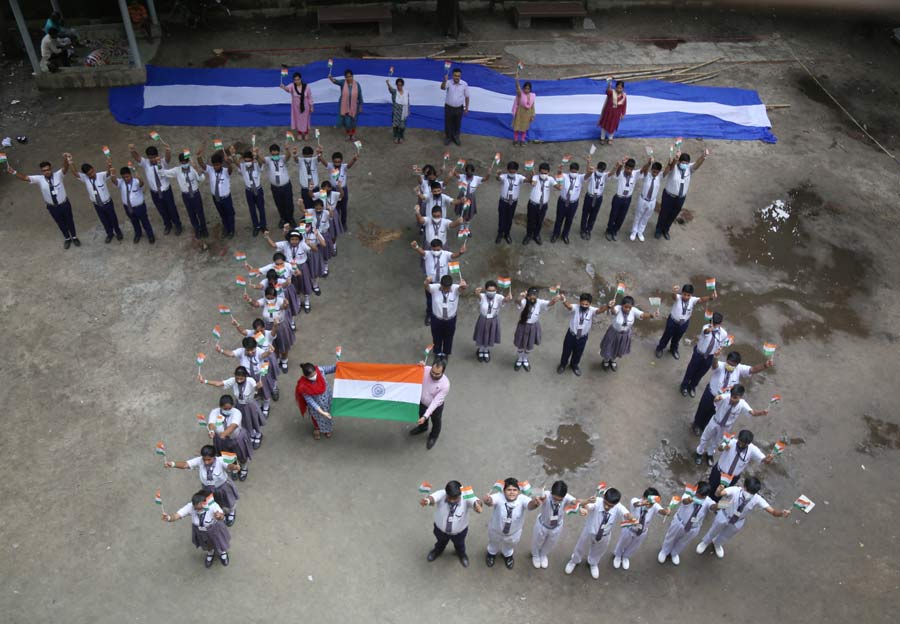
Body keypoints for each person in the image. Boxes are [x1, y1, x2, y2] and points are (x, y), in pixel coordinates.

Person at [696, 476, 790, 559]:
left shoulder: (757, 499)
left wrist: (781, 513)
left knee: (727, 535)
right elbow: (720, 494)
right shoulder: (735, 490)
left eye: (751, 492)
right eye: (747, 490)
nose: (748, 493)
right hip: (725, 514)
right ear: (744, 486)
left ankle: (717, 544)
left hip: (738, 521)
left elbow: (773, 512)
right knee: (714, 529)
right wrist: (719, 490)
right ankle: (705, 542)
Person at [692, 351, 774, 436]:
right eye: (729, 363)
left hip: (725, 399)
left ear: (737, 364)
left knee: (714, 414)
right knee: (703, 409)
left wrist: (765, 365)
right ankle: (696, 425)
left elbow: (752, 370)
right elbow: (714, 365)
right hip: (711, 393)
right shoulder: (721, 365)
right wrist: (715, 357)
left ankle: (705, 428)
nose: (730, 366)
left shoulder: (739, 369)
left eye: (733, 365)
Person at [8, 156, 80, 248]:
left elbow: (65, 168)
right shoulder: (39, 179)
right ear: (42, 171)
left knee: (70, 220)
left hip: (64, 204)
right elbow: (25, 178)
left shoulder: (58, 175)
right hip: (52, 207)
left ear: (51, 169)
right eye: (44, 170)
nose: (47, 172)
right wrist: (14, 172)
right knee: (60, 222)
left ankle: (74, 236)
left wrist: (66, 159)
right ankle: (67, 238)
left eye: (48, 169)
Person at [164, 445, 241, 526]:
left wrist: (234, 466)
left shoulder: (220, 460)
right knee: (212, 505)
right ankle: (218, 514)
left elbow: (229, 465)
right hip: (207, 490)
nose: (206, 462)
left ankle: (231, 511)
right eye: (204, 459)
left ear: (214, 456)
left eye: (209, 459)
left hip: (222, 487)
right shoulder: (199, 460)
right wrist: (172, 464)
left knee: (229, 502)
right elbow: (186, 464)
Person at [565, 487, 632, 579]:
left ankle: (593, 563)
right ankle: (574, 560)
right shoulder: (598, 501)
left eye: (611, 505)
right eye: (606, 503)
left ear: (616, 503)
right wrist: (585, 509)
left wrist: (630, 517)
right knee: (580, 547)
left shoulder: (618, 507)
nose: (607, 507)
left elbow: (627, 514)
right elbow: (588, 506)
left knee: (598, 551)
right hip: (589, 532)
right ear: (603, 498)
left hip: (605, 535)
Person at [695, 386, 769, 466]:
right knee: (705, 437)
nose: (732, 399)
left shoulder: (742, 404)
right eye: (731, 396)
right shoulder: (726, 397)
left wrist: (761, 413)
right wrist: (717, 398)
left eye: (735, 397)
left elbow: (752, 412)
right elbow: (718, 398)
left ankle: (709, 454)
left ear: (740, 397)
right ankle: (699, 452)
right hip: (715, 422)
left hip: (726, 427)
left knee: (717, 441)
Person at [201, 366, 268, 450]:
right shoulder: (232, 381)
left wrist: (258, 386)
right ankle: (252, 434)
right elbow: (219, 383)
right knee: (244, 422)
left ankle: (258, 434)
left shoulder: (250, 381)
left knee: (254, 420)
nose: (239, 380)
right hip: (239, 405)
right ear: (235, 376)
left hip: (250, 405)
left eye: (241, 378)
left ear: (246, 376)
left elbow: (255, 388)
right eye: (237, 378)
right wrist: (205, 381)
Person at [162, 490, 231, 568]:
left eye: (199, 508)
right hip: (200, 531)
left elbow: (222, 517)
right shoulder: (191, 506)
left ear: (204, 503)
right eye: (195, 508)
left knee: (219, 542)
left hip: (214, 528)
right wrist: (168, 518)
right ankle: (210, 553)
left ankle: (222, 553)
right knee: (206, 544)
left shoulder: (212, 505)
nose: (197, 510)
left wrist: (219, 516)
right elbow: (177, 515)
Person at [421, 480, 483, 567]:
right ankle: (437, 551)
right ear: (446, 493)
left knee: (460, 545)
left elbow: (476, 501)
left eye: (455, 498)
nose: (452, 501)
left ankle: (462, 554)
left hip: (459, 533)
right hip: (440, 530)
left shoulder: (466, 495)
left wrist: (477, 505)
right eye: (449, 497)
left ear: (460, 494)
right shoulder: (442, 493)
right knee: (440, 543)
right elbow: (433, 498)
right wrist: (427, 501)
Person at [482, 478, 538, 569]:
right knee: (493, 543)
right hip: (496, 530)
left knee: (509, 546)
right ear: (504, 491)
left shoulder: (522, 499)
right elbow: (490, 501)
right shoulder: (499, 496)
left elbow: (530, 505)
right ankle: (491, 554)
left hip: (513, 533)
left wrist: (535, 503)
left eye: (515, 490)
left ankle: (507, 555)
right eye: (509, 490)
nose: (512, 492)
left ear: (519, 491)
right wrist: (487, 500)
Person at [657, 481, 715, 565]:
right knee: (671, 536)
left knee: (684, 541)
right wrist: (689, 500)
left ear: (705, 496)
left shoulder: (708, 501)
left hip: (693, 528)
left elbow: (713, 507)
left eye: (701, 495)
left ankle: (675, 553)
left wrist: (725, 505)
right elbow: (684, 501)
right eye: (698, 493)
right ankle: (664, 551)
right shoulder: (689, 494)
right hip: (679, 523)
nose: (698, 496)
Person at [411, 238, 467, 325]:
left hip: (443, 283)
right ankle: (429, 315)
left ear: (441, 247)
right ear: (431, 248)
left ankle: (445, 313)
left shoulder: (446, 254)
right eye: (433, 249)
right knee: (430, 300)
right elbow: (421, 252)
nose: (436, 251)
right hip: (431, 283)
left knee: (444, 299)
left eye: (438, 249)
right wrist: (416, 247)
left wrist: (460, 252)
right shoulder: (428, 254)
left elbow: (453, 256)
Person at [130, 143, 182, 235]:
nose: (152, 159)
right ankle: (167, 225)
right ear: (148, 157)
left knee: (171, 208)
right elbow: (137, 157)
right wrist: (132, 150)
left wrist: (167, 151)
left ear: (157, 155)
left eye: (154, 157)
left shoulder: (162, 162)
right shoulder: (145, 163)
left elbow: (168, 158)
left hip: (166, 191)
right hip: (154, 192)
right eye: (150, 157)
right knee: (161, 210)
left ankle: (178, 225)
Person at [612, 488, 670, 570]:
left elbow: (661, 511)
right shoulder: (635, 500)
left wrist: (666, 511)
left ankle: (626, 557)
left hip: (642, 531)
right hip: (629, 528)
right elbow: (636, 504)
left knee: (634, 545)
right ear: (643, 497)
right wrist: (643, 503)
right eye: (649, 501)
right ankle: (617, 556)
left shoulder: (654, 505)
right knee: (623, 542)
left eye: (652, 503)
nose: (650, 505)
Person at [655, 149, 707, 240]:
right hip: (669, 196)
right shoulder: (673, 168)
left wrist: (704, 156)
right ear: (679, 162)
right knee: (664, 213)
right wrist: (674, 160)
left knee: (673, 215)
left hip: (680, 198)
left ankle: (666, 230)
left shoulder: (688, 168)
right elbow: (667, 171)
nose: (685, 164)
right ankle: (658, 230)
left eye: (686, 163)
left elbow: (697, 165)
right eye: (683, 162)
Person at [655, 283, 717, 360]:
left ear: (691, 295)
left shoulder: (692, 300)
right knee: (666, 336)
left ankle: (673, 350)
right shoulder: (677, 297)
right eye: (684, 294)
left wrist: (710, 298)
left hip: (683, 324)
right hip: (672, 322)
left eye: (688, 295)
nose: (686, 297)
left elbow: (701, 299)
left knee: (677, 338)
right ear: (681, 293)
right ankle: (660, 348)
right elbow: (673, 296)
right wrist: (674, 292)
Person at [708, 430, 773, 499]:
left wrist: (768, 458)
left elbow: (764, 460)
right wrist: (724, 446)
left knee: (720, 494)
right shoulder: (731, 442)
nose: (741, 445)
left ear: (748, 443)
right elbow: (720, 449)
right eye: (740, 442)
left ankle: (713, 504)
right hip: (719, 473)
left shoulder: (752, 449)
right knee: (710, 488)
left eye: (744, 444)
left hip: (732, 478)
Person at [243, 285, 294, 373]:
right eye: (268, 297)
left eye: (272, 297)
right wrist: (249, 299)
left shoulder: (280, 301)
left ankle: (284, 361)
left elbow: (284, 306)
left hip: (280, 325)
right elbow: (256, 304)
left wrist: (286, 304)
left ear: (275, 296)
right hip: (267, 326)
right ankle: (276, 359)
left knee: (283, 344)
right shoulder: (264, 301)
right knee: (271, 344)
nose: (270, 299)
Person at [600, 295, 658, 371]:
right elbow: (613, 311)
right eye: (625, 307)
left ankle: (613, 360)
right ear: (622, 305)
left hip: (625, 335)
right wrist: (612, 306)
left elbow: (642, 315)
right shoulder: (617, 308)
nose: (627, 309)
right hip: (614, 333)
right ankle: (606, 360)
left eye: (629, 307)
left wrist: (652, 315)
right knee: (609, 348)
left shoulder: (633, 310)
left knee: (619, 349)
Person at [530, 481, 580, 569]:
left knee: (551, 543)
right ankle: (535, 555)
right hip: (543, 525)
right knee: (537, 541)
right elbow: (531, 491)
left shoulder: (567, 497)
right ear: (551, 493)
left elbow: (576, 502)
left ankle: (543, 555)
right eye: (554, 498)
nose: (557, 501)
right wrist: (539, 491)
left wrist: (585, 503)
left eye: (559, 499)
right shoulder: (546, 494)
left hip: (556, 526)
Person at [72, 160, 123, 243]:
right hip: (97, 205)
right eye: (89, 174)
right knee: (104, 220)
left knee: (113, 218)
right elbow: (75, 173)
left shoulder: (101, 175)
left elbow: (108, 173)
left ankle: (118, 232)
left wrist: (109, 165)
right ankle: (109, 234)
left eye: (92, 172)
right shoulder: (85, 178)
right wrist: (71, 162)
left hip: (107, 203)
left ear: (94, 169)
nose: (92, 174)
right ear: (86, 175)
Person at [558, 293, 608, 376]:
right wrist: (564, 300)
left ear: (590, 304)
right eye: (582, 304)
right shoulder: (576, 307)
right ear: (579, 302)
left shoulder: (592, 310)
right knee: (566, 351)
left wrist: (608, 306)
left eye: (586, 304)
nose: (584, 306)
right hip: (571, 335)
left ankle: (574, 365)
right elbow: (569, 306)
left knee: (578, 352)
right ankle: (563, 365)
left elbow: (600, 310)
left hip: (582, 337)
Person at [680, 311, 728, 397]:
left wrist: (719, 349)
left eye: (717, 323)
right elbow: (706, 332)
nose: (716, 324)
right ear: (711, 321)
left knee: (700, 373)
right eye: (714, 322)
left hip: (710, 356)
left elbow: (721, 344)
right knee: (691, 370)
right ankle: (684, 386)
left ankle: (692, 386)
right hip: (699, 354)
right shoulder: (706, 327)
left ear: (721, 323)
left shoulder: (724, 334)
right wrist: (710, 329)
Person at [162, 152, 208, 239]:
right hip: (186, 196)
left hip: (195, 194)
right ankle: (197, 229)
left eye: (186, 162)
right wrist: (159, 164)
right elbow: (163, 173)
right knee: (191, 214)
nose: (184, 164)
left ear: (188, 161)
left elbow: (202, 179)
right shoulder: (177, 170)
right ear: (180, 162)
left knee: (200, 213)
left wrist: (196, 168)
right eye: (182, 162)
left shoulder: (193, 169)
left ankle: (204, 229)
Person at [206, 395, 252, 481]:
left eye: (229, 408)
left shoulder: (237, 412)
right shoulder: (215, 412)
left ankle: (244, 467)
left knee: (241, 455)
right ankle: (234, 468)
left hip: (236, 438)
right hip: (221, 440)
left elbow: (233, 426)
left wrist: (224, 434)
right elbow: (211, 423)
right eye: (225, 408)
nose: (227, 410)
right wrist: (211, 431)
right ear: (220, 406)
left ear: (232, 406)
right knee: (228, 456)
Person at [514, 286, 560, 371]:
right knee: (520, 345)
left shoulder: (539, 302)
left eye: (535, 295)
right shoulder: (524, 301)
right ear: (527, 295)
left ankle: (525, 359)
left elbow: (549, 304)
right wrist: (520, 297)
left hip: (533, 326)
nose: (533, 297)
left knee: (529, 345)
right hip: (523, 326)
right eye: (531, 295)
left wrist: (554, 300)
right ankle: (520, 359)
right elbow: (517, 302)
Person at [109, 164, 156, 244]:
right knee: (134, 221)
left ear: (130, 174)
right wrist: (112, 174)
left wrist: (139, 177)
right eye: (124, 177)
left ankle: (150, 235)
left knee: (145, 221)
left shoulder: (136, 181)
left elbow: (141, 184)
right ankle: (138, 234)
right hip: (128, 207)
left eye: (127, 176)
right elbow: (114, 181)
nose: (126, 179)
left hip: (139, 207)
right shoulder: (121, 182)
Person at [425, 275, 468, 360]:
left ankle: (445, 353)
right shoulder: (435, 288)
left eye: (447, 288)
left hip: (450, 320)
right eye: (444, 287)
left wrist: (463, 286)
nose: (445, 290)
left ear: (451, 286)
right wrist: (426, 282)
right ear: (441, 284)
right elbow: (426, 287)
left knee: (449, 337)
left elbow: (462, 289)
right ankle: (437, 352)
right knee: (436, 337)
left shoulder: (456, 288)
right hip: (437, 319)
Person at [410, 361, 450, 450]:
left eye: (437, 374)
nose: (434, 375)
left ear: (442, 372)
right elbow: (414, 372)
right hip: (422, 402)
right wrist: (417, 366)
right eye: (432, 372)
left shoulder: (445, 385)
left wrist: (425, 416)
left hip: (436, 407)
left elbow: (435, 402)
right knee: (421, 414)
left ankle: (434, 436)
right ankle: (423, 427)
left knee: (436, 422)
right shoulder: (425, 369)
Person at [228, 146, 267, 237]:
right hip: (249, 191)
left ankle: (263, 225)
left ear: (252, 159)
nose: (247, 162)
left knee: (261, 208)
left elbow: (262, 162)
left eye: (249, 160)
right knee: (252, 209)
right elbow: (236, 162)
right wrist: (233, 154)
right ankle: (256, 226)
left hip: (258, 189)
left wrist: (256, 155)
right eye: (245, 160)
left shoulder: (257, 165)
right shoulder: (242, 167)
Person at [316, 147, 358, 231]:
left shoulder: (344, 167)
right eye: (335, 162)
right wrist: (319, 153)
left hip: (343, 189)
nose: (337, 163)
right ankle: (335, 223)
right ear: (332, 161)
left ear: (341, 161)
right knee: (335, 208)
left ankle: (343, 223)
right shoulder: (330, 166)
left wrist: (354, 159)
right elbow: (322, 161)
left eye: (339, 162)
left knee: (343, 208)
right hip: (333, 190)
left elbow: (349, 165)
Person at [197, 148, 236, 239]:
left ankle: (231, 230)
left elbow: (231, 170)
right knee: (222, 214)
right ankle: (226, 229)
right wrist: (199, 156)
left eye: (218, 165)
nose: (216, 167)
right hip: (216, 198)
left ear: (221, 164)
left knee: (230, 214)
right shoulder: (210, 170)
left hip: (226, 198)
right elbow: (202, 164)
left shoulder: (226, 171)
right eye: (214, 165)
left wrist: (229, 162)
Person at [472, 281, 512, 363]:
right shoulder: (482, 296)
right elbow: (478, 297)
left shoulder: (499, 297)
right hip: (483, 319)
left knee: (490, 335)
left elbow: (503, 301)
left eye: (493, 290)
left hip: (493, 319)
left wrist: (507, 299)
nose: (491, 292)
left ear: (496, 290)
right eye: (489, 290)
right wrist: (477, 293)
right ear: (486, 290)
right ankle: (480, 350)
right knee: (482, 334)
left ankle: (486, 350)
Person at [295, 362, 336, 440]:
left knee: (328, 416)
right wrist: (322, 412)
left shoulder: (320, 370)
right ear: (305, 376)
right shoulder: (303, 387)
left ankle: (327, 429)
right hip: (316, 407)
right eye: (311, 376)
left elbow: (333, 368)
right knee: (316, 418)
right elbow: (311, 402)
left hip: (327, 400)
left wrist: (339, 365)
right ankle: (317, 428)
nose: (314, 377)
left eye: (314, 374)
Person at [523, 162, 560, 245]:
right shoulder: (535, 177)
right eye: (542, 173)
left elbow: (558, 187)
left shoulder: (550, 179)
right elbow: (532, 183)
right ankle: (528, 235)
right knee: (530, 220)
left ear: (548, 172)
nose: (544, 174)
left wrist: (559, 179)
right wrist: (532, 175)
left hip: (543, 205)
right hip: (533, 204)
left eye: (545, 173)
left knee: (540, 221)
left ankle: (536, 235)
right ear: (539, 172)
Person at [261, 144, 294, 229]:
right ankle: (283, 218)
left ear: (279, 152)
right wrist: (257, 154)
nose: (275, 155)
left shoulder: (282, 158)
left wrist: (287, 150)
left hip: (286, 186)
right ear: (270, 153)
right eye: (273, 154)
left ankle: (290, 218)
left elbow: (288, 156)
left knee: (289, 203)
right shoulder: (268, 159)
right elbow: (261, 161)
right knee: (279, 203)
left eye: (276, 153)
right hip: (275, 187)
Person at [629, 158, 662, 242]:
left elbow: (667, 171)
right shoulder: (647, 175)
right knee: (638, 216)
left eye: (657, 172)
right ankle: (634, 231)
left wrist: (670, 162)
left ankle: (640, 232)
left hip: (652, 201)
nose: (655, 174)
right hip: (643, 199)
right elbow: (644, 169)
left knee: (646, 217)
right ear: (651, 170)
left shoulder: (659, 177)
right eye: (654, 171)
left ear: (659, 172)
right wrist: (649, 163)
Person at [493, 161, 527, 244]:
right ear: (508, 169)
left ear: (516, 170)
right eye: (510, 170)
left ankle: (507, 234)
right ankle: (500, 233)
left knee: (509, 218)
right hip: (503, 201)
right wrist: (497, 174)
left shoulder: (519, 177)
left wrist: (532, 175)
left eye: (514, 170)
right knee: (502, 218)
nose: (512, 172)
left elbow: (527, 180)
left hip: (513, 202)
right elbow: (498, 178)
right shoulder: (504, 176)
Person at [551, 161, 584, 244]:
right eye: (572, 171)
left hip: (573, 203)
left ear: (578, 171)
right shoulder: (564, 176)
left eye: (575, 171)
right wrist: (559, 170)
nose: (574, 173)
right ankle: (555, 234)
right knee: (559, 219)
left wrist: (589, 163)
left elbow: (588, 175)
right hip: (562, 202)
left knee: (569, 220)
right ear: (569, 170)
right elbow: (559, 177)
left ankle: (565, 235)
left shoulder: (580, 178)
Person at [605, 157, 637, 242]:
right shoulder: (621, 173)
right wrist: (621, 165)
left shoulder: (635, 174)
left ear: (633, 169)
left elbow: (643, 170)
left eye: (631, 169)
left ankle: (615, 231)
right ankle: (609, 231)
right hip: (618, 198)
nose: (629, 170)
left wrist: (649, 162)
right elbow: (618, 172)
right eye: (627, 168)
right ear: (625, 167)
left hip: (627, 199)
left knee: (621, 216)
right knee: (613, 215)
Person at [329, 69, 363, 141]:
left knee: (354, 122)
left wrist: (360, 106)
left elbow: (360, 95)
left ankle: (353, 134)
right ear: (345, 77)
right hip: (345, 106)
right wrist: (331, 78)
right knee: (347, 122)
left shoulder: (357, 84)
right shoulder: (343, 83)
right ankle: (348, 134)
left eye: (350, 76)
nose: (349, 78)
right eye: (347, 77)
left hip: (354, 107)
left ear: (352, 76)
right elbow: (335, 81)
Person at [579, 158, 608, 240]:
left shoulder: (604, 176)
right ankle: (583, 229)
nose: (600, 172)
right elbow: (587, 173)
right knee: (585, 214)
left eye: (602, 170)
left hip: (598, 198)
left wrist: (617, 166)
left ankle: (588, 230)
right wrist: (588, 162)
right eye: (599, 169)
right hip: (589, 197)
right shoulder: (592, 174)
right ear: (596, 168)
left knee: (593, 215)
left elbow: (612, 173)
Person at [281, 72, 314, 141]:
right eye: (295, 80)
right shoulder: (292, 86)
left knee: (305, 120)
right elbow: (288, 90)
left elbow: (310, 97)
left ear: (301, 79)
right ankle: (299, 133)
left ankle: (306, 133)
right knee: (298, 120)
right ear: (293, 80)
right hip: (296, 108)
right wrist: (283, 87)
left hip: (305, 107)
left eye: (298, 79)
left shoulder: (306, 87)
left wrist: (311, 106)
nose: (297, 81)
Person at [441, 68, 469, 146]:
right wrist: (444, 80)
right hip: (448, 107)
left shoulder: (464, 84)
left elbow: (467, 97)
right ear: (452, 75)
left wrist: (466, 108)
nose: (457, 77)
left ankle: (456, 137)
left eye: (458, 76)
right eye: (455, 75)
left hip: (459, 108)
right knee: (448, 123)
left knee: (457, 123)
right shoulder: (448, 82)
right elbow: (442, 88)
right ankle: (448, 138)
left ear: (460, 76)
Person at [598, 78, 626, 144]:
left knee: (613, 126)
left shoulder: (624, 96)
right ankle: (602, 138)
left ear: (623, 88)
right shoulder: (611, 92)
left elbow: (624, 106)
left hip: (616, 115)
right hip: (608, 113)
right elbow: (607, 92)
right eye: (618, 88)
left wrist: (623, 114)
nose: (619, 89)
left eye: (620, 88)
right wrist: (609, 85)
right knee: (605, 125)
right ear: (615, 87)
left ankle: (610, 138)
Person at [512, 76, 535, 146]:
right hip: (519, 113)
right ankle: (515, 140)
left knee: (524, 128)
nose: (526, 90)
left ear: (530, 89)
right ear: (523, 88)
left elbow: (533, 107)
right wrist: (517, 82)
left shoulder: (532, 96)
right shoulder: (520, 94)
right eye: (525, 88)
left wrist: (532, 115)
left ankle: (522, 140)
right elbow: (517, 88)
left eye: (528, 88)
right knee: (517, 127)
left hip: (527, 114)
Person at [294, 145, 320, 210]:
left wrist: (319, 153)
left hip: (315, 188)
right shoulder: (301, 160)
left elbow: (319, 159)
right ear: (303, 155)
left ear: (312, 154)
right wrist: (295, 154)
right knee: (307, 208)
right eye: (306, 156)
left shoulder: (314, 159)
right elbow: (296, 160)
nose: (308, 158)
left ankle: (317, 220)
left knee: (317, 206)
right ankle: (309, 220)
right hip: (305, 189)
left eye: (310, 156)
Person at [386, 77, 411, 144]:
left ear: (403, 85)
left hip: (404, 111)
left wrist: (408, 109)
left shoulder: (406, 92)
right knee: (395, 126)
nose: (399, 86)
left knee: (402, 126)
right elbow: (390, 89)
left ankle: (401, 137)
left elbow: (408, 101)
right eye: (398, 85)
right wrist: (387, 83)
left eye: (400, 85)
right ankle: (396, 137)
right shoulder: (394, 92)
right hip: (396, 111)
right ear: (396, 85)